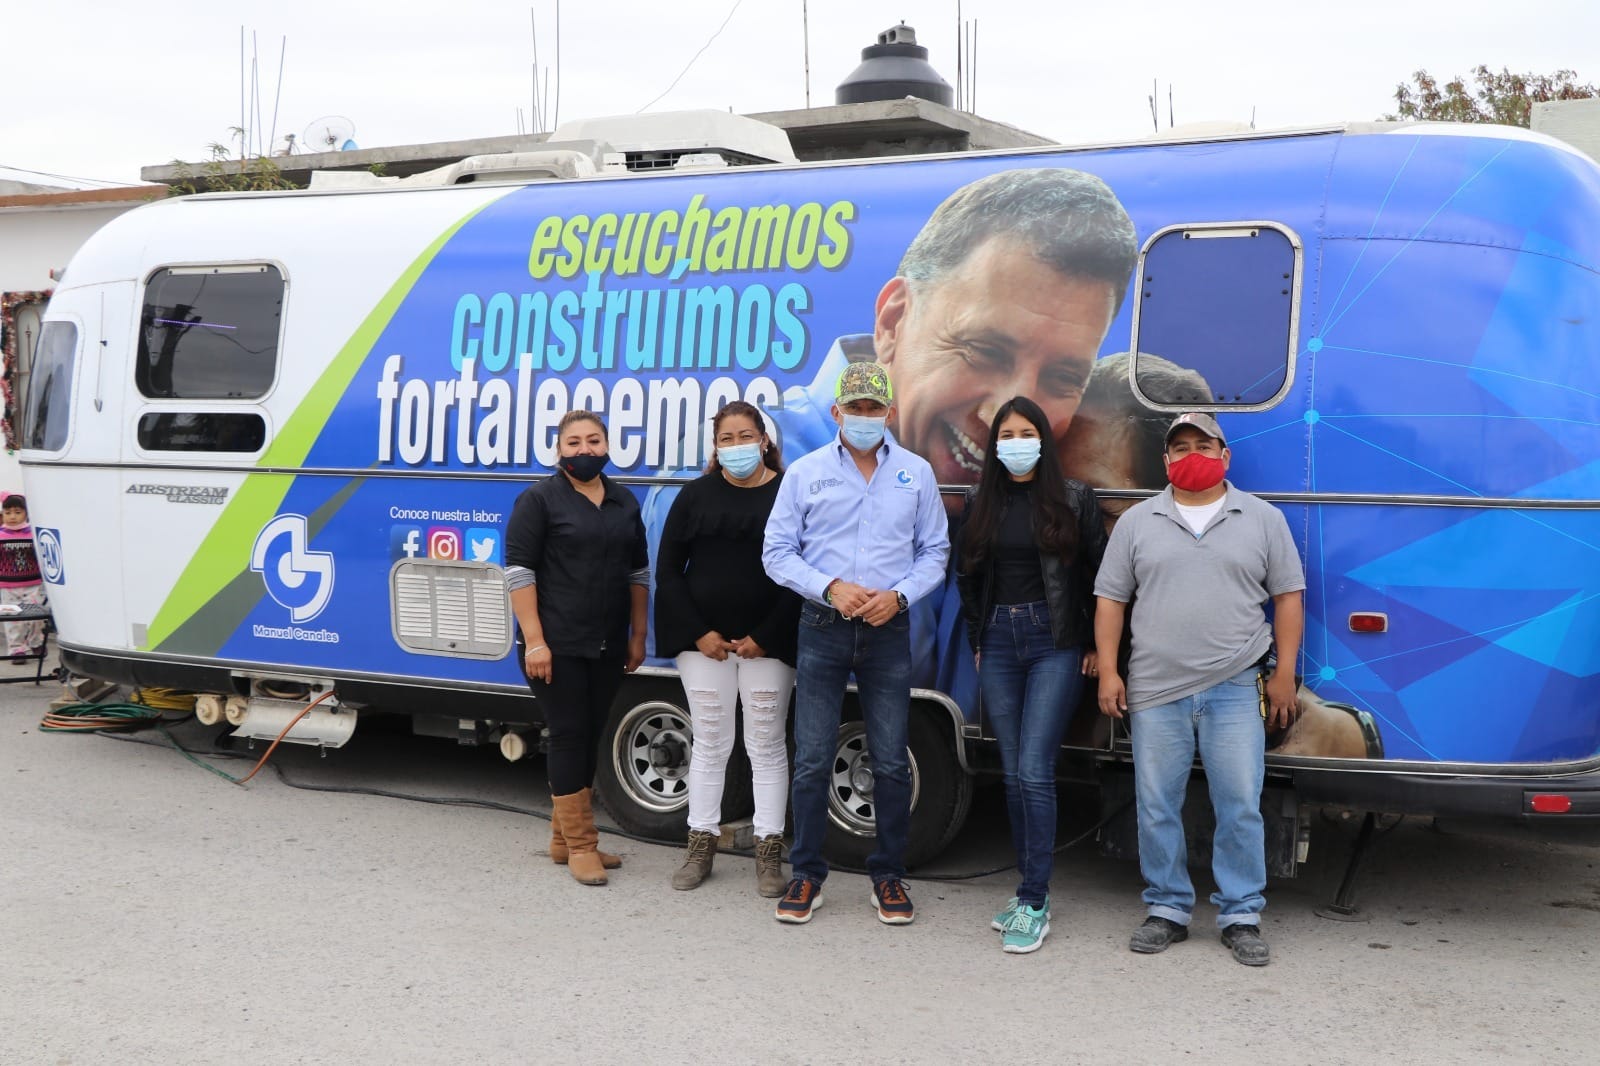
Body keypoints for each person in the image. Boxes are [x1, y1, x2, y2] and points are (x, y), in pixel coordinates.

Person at [1094, 412, 1305, 966]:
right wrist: (1111, 671)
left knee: (1239, 804)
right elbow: (1111, 600)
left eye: (1204, 445)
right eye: (1181, 446)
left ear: (1225, 455)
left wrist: (1284, 674)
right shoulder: (1137, 522)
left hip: (1236, 685)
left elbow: (1288, 597)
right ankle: (1167, 908)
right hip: (1154, 689)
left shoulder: (1263, 519)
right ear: (1165, 460)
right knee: (1156, 804)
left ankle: (1241, 915)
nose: (1193, 455)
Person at [762, 361, 949, 925]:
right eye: (855, 407)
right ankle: (806, 875)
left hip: (888, 629)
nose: (864, 416)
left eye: (874, 407)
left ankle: (887, 876)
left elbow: (935, 552)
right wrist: (830, 588)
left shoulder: (915, 473)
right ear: (836, 412)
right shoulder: (805, 472)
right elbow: (777, 552)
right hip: (823, 625)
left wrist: (900, 596)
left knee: (891, 760)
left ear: (889, 413)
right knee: (813, 758)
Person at [954, 397, 1106, 954]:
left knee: (1035, 770)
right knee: (1014, 773)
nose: (1016, 443)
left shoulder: (1074, 498)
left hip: (1054, 642)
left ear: (1043, 439)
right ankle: (1026, 893)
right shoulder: (981, 501)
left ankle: (1034, 899)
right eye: (1007, 434)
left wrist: (1097, 644)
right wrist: (978, 639)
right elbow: (967, 576)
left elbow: (1101, 575)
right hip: (997, 639)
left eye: (1026, 433)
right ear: (994, 444)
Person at [655, 401, 801, 896]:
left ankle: (768, 852)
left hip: (769, 644)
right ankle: (700, 845)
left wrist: (766, 636)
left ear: (764, 440)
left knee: (766, 743)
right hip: (705, 646)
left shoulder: (788, 493)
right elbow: (669, 571)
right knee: (711, 741)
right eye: (726, 439)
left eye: (745, 436)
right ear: (715, 447)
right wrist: (699, 633)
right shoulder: (694, 495)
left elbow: (802, 572)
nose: (736, 446)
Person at [505, 410, 649, 886]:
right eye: (573, 442)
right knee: (568, 733)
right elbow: (519, 573)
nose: (584, 450)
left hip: (607, 641)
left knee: (591, 733)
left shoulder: (624, 500)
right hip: (555, 643)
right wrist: (535, 641)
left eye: (593, 440)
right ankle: (583, 845)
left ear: (607, 446)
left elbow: (638, 573)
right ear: (559, 450)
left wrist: (638, 635)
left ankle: (563, 839)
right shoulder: (538, 500)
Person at [0, 494, 46, 662]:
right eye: (8, 513)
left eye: (17, 512)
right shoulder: (1, 535)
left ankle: (36, 641)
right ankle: (17, 649)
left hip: (33, 583)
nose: (12, 516)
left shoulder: (33, 533)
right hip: (7, 585)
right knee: (12, 618)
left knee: (36, 617)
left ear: (26, 513)